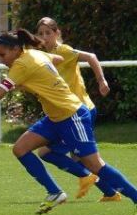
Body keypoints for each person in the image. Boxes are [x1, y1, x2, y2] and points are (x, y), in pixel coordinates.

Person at [0, 29, 137, 215]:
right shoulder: (35, 54)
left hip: (72, 115)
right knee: (22, 149)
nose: (1, 59)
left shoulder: (22, 65)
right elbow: (56, 60)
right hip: (55, 118)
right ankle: (55, 192)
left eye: (3, 54)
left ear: (16, 49)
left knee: (95, 165)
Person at [35, 17, 121, 202]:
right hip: (71, 113)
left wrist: (101, 80)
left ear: (57, 33)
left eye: (48, 33)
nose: (44, 37)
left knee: (46, 152)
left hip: (80, 111)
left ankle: (93, 181)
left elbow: (91, 56)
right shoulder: (42, 55)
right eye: (40, 34)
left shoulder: (63, 50)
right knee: (81, 158)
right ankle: (110, 193)